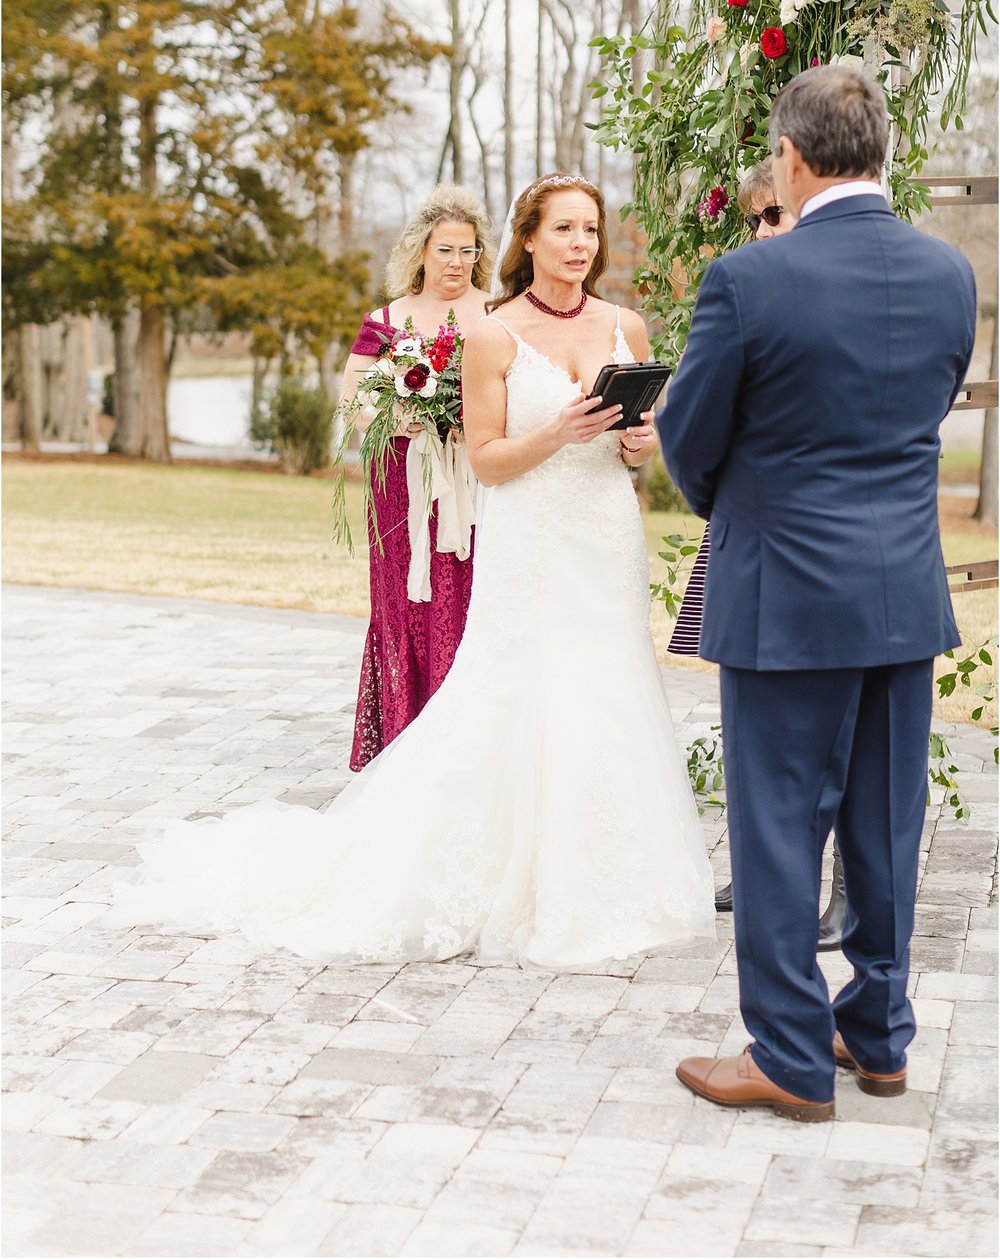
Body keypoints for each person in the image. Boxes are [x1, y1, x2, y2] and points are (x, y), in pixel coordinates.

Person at [111, 172, 715, 968]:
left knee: (606, 687)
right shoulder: (493, 334)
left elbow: (638, 446)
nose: (580, 245)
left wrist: (638, 444)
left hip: (605, 535)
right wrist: (562, 432)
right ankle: (486, 872)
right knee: (514, 691)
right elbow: (490, 462)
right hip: (530, 538)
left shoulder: (626, 328)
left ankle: (606, 873)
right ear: (527, 240)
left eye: (590, 231)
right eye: (564, 229)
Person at [659, 65, 975, 1120]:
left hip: (786, 595)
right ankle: (876, 1033)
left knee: (779, 825)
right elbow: (920, 414)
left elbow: (685, 438)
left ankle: (791, 1053)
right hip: (901, 592)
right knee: (886, 822)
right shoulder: (948, 275)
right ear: (877, 151)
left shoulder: (750, 278)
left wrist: (745, 507)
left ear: (790, 159)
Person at [668, 160, 846, 946]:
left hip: (823, 532)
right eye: (755, 221)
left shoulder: (838, 293)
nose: (766, 231)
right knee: (751, 710)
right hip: (746, 519)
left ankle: (842, 879)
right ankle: (763, 866)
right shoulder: (743, 291)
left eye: (777, 214)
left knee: (839, 725)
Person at [340, 187, 493, 771]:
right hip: (400, 488)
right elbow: (351, 402)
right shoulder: (385, 320)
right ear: (421, 251)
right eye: (444, 249)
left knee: (471, 600)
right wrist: (396, 416)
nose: (456, 262)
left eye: (466, 250)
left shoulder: (497, 312)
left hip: (474, 482)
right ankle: (403, 749)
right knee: (406, 603)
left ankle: (469, 749)